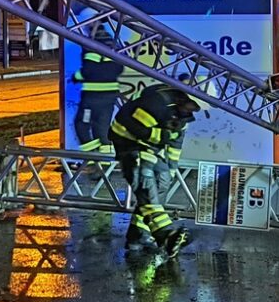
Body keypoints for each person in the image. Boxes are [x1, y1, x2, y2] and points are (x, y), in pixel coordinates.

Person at [110, 83, 200, 256]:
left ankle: (137, 236)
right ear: (184, 98)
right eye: (193, 105)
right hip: (129, 145)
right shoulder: (155, 105)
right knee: (146, 185)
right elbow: (134, 128)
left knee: (162, 184)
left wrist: (172, 168)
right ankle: (165, 235)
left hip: (151, 149)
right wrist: (161, 136)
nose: (194, 110)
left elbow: (175, 143)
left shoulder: (182, 115)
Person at [72, 28, 125, 156]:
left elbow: (88, 70)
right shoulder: (114, 46)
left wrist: (76, 77)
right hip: (110, 97)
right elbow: (119, 68)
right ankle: (105, 161)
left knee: (82, 125)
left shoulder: (92, 46)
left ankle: (91, 158)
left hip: (92, 97)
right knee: (102, 127)